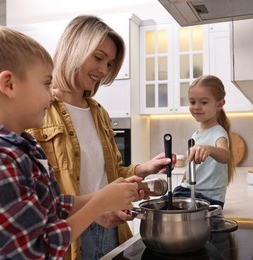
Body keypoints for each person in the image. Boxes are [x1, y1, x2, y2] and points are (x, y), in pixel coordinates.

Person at [0, 19, 142, 259]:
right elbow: (38, 249)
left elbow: (53, 205)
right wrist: (98, 205)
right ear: (9, 85)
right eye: (46, 83)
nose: (50, 95)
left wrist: (105, 196)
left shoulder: (24, 146)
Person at [27, 15, 174, 260]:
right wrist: (96, 210)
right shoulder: (39, 109)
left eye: (109, 63)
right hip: (72, 236)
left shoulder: (98, 112)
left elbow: (109, 175)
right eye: (98, 57)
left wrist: (144, 168)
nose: (104, 70)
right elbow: (38, 194)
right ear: (74, 49)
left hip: (113, 228)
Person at [172, 75, 235, 208]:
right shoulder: (196, 135)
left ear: (220, 104)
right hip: (188, 191)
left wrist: (210, 149)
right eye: (192, 102)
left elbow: (226, 155)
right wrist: (182, 184)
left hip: (209, 197)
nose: (197, 107)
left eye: (204, 102)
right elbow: (190, 167)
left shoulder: (219, 132)